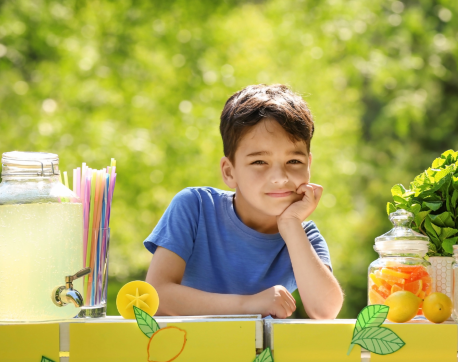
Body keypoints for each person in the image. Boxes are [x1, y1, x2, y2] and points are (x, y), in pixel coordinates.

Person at [144, 84, 344, 319]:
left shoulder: (303, 237)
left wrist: (290, 225)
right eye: (259, 162)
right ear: (229, 172)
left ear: (309, 165)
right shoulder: (195, 207)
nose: (280, 178)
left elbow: (325, 310)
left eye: (294, 161)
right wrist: (250, 304)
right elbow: (155, 296)